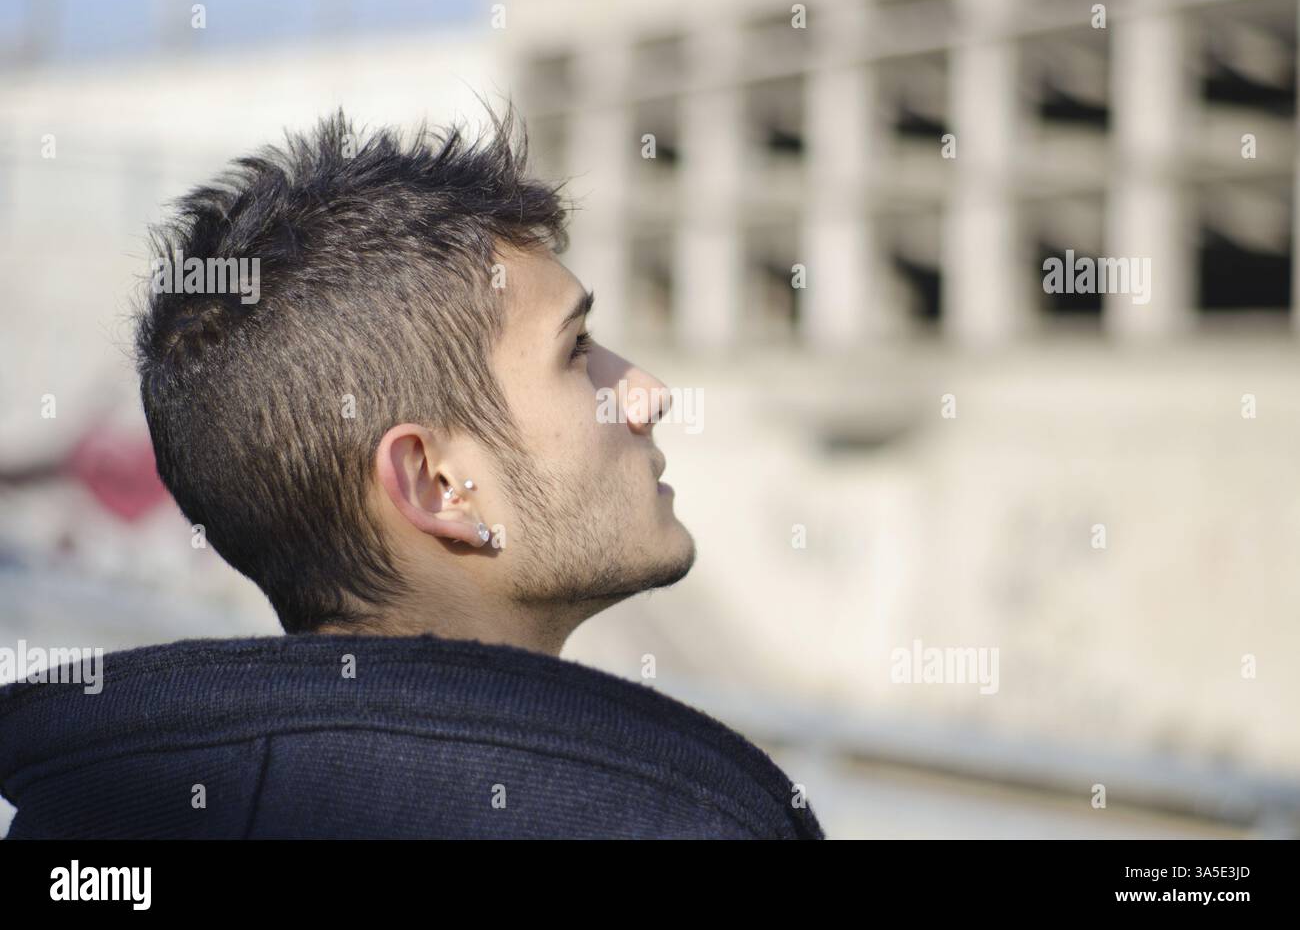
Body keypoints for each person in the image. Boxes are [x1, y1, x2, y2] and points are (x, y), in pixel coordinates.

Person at [0, 103, 825, 839]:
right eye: (576, 352)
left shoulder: (81, 816)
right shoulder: (683, 817)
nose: (646, 393)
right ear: (436, 484)